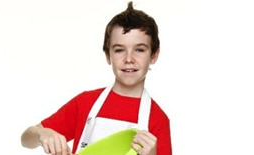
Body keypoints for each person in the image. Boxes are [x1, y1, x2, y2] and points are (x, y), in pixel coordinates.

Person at [21, 1, 172, 155]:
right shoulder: (85, 103)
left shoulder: (157, 119)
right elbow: (26, 139)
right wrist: (42, 134)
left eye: (139, 50)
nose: (129, 58)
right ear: (108, 55)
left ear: (154, 55)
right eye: (119, 50)